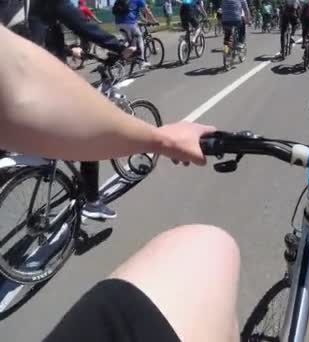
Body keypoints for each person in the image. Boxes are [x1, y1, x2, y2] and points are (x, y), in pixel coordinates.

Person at [0, 26, 240, 341]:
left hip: (44, 52)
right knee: (209, 245)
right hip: (51, 60)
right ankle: (93, 200)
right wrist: (159, 138)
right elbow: (22, 82)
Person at [7, 0, 136, 219]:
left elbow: (30, 37)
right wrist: (122, 48)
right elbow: (84, 26)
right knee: (89, 126)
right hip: (40, 81)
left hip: (11, 87)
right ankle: (93, 201)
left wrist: (67, 49)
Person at [113, 0, 158, 68]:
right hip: (129, 24)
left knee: (129, 39)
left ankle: (119, 53)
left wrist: (145, 21)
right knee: (139, 39)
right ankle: (142, 62)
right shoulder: (139, 0)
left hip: (118, 24)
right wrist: (154, 21)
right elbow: (147, 12)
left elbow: (136, 13)